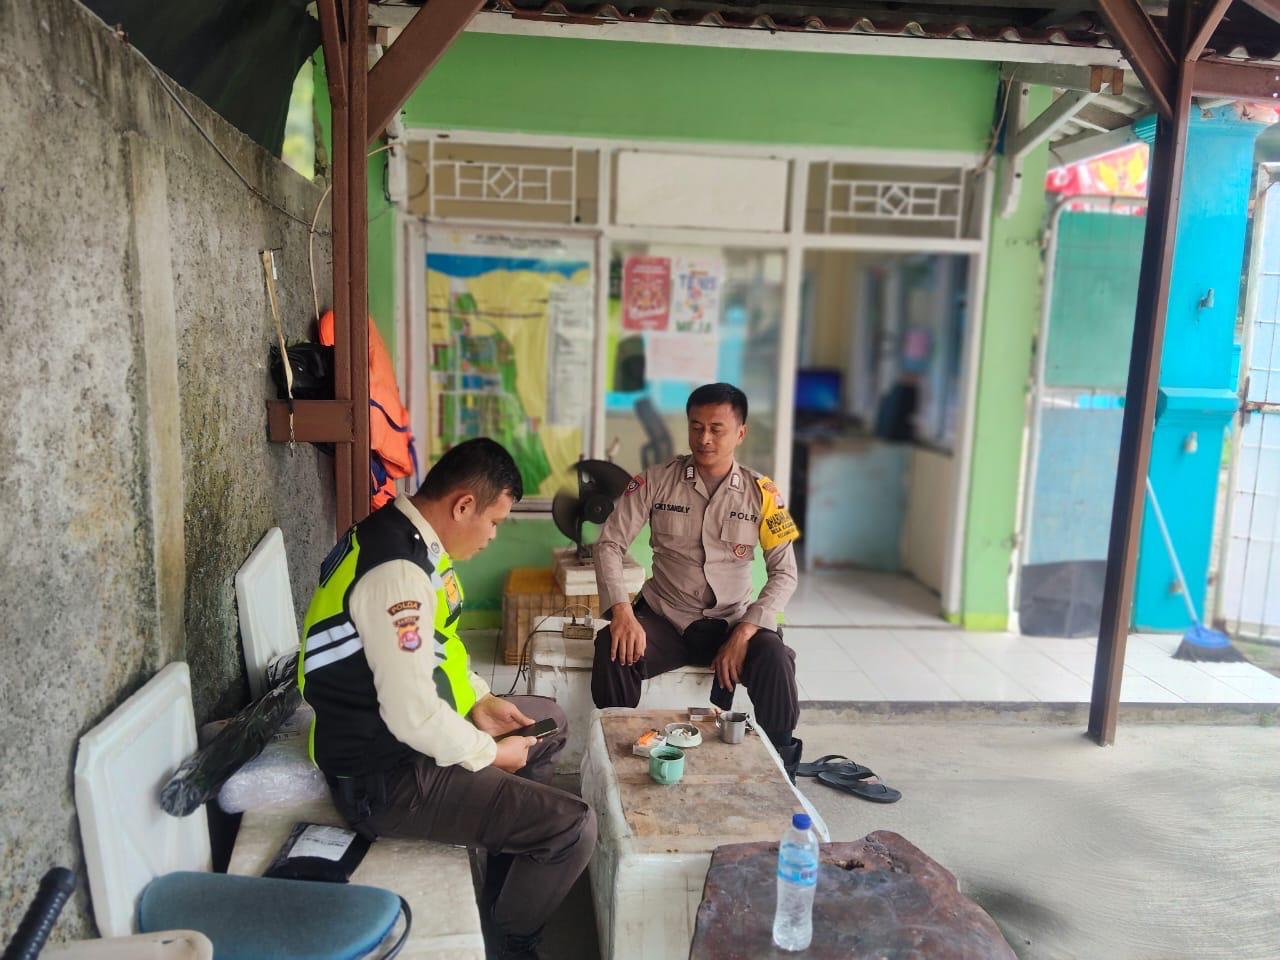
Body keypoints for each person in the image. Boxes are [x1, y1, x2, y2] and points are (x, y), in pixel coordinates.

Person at [297, 438, 595, 960]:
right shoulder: (399, 575)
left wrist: (480, 699)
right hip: (384, 776)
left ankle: (508, 867)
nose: (493, 536)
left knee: (547, 722)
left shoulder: (409, 540)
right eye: (494, 522)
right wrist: (489, 752)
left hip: (404, 739)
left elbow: (443, 643)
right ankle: (511, 940)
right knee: (574, 827)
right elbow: (412, 715)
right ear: (463, 506)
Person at [591, 382, 805, 778]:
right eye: (696, 427)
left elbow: (786, 572)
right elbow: (608, 544)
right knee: (613, 644)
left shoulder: (764, 494)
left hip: (731, 623)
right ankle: (615, 760)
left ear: (740, 433)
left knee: (776, 658)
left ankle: (781, 768)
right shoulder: (654, 481)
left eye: (716, 429)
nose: (704, 438)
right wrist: (622, 611)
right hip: (666, 620)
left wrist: (745, 632)